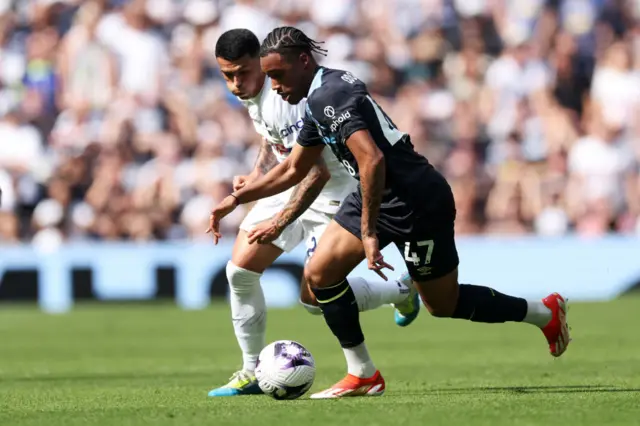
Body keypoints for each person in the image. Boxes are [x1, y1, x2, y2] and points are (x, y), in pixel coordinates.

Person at [207, 26, 570, 399]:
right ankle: (363, 373)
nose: (276, 86)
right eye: (269, 78)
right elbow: (292, 168)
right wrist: (237, 198)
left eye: (278, 76)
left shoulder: (328, 96)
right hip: (374, 192)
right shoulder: (313, 98)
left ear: (303, 61)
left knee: (444, 304)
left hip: (416, 201)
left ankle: (542, 313)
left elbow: (372, 158)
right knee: (320, 274)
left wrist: (367, 232)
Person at [207, 29, 421, 398]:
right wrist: (257, 175)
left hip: (334, 190)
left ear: (261, 62)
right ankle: (251, 371)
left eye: (242, 72)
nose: (235, 83)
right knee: (239, 271)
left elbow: (315, 172)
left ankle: (399, 289)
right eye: (227, 75)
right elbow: (271, 138)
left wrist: (279, 219)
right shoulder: (255, 93)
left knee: (314, 297)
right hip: (289, 183)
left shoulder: (289, 93)